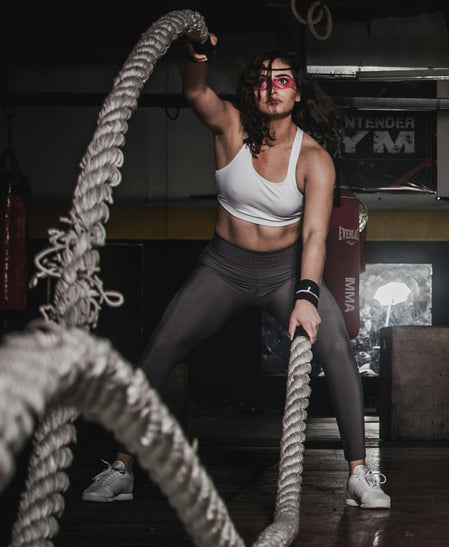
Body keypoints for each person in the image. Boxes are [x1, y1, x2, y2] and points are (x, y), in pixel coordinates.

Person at [81, 34, 390, 510]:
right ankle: (122, 467)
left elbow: (314, 237)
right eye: (262, 80)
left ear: (297, 93)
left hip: (287, 272)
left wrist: (307, 295)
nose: (272, 88)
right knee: (162, 345)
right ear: (253, 90)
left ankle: (358, 474)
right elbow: (195, 93)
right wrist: (197, 54)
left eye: (282, 80)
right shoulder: (230, 126)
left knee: (337, 349)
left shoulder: (314, 159)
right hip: (223, 268)